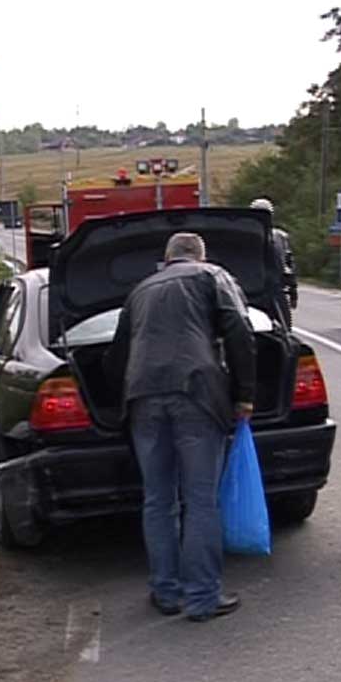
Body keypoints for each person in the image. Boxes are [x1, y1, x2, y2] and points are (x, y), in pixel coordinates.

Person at [104, 233, 256, 621]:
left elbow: (117, 354)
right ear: (200, 256)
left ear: (166, 258)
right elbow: (238, 329)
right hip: (196, 393)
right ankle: (203, 597)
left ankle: (165, 591)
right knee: (200, 499)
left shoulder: (140, 290)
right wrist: (245, 393)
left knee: (157, 499)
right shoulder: (211, 276)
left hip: (142, 398)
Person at [250, 198, 298, 319]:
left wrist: (293, 289)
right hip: (269, 289)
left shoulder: (279, 236)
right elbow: (289, 264)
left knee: (284, 323)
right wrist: (293, 290)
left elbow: (288, 263)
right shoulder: (279, 236)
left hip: (269, 288)